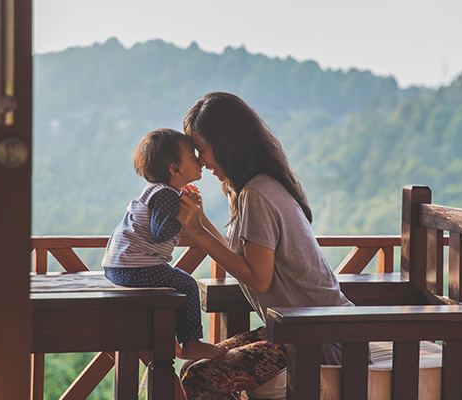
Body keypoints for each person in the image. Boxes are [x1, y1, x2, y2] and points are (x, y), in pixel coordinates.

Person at [176, 92, 354, 399]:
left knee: (198, 376)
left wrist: (200, 233)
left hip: (320, 338)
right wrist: (200, 223)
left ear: (226, 143)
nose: (201, 163)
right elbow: (240, 260)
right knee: (194, 363)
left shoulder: (257, 193)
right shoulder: (255, 188)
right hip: (300, 331)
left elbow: (259, 278)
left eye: (202, 150)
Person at [102, 128, 227, 360]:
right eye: (192, 155)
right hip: (136, 268)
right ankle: (191, 343)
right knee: (188, 284)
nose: (199, 160)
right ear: (174, 169)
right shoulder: (167, 196)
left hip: (120, 267)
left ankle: (169, 339)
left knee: (172, 285)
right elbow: (160, 233)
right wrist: (185, 217)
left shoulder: (157, 191)